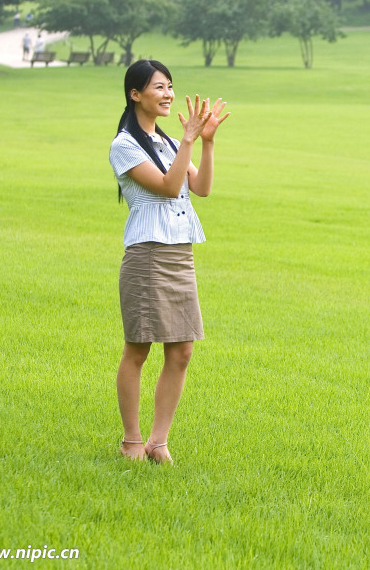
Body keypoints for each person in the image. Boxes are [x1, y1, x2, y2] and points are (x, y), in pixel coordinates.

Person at [108, 59, 230, 463]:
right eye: (158, 87)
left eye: (170, 86)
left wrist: (206, 141)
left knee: (181, 351)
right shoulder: (124, 144)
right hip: (147, 255)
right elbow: (168, 186)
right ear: (135, 94)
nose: (168, 94)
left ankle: (158, 442)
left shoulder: (169, 144)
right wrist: (189, 140)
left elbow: (202, 188)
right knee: (138, 349)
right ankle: (131, 440)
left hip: (180, 254)